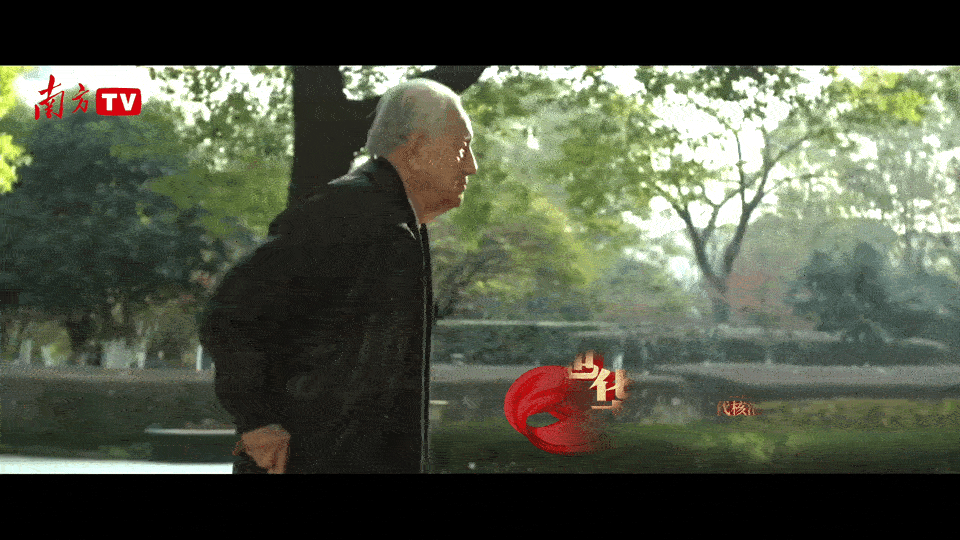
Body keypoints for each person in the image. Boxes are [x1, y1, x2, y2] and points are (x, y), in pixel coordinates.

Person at [198, 78, 477, 473]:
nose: (471, 166)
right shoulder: (345, 213)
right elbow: (229, 314)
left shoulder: (396, 223)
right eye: (461, 148)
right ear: (415, 149)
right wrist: (257, 422)